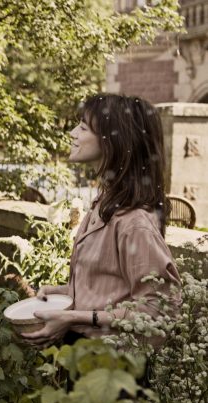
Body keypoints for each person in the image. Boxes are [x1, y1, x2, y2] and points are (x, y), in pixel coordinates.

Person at [21, 93, 182, 348]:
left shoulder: (133, 222)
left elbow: (158, 311)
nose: (72, 133)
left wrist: (72, 317)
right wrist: (63, 292)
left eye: (83, 127)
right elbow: (114, 293)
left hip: (114, 370)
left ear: (112, 142)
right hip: (86, 357)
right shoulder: (104, 205)